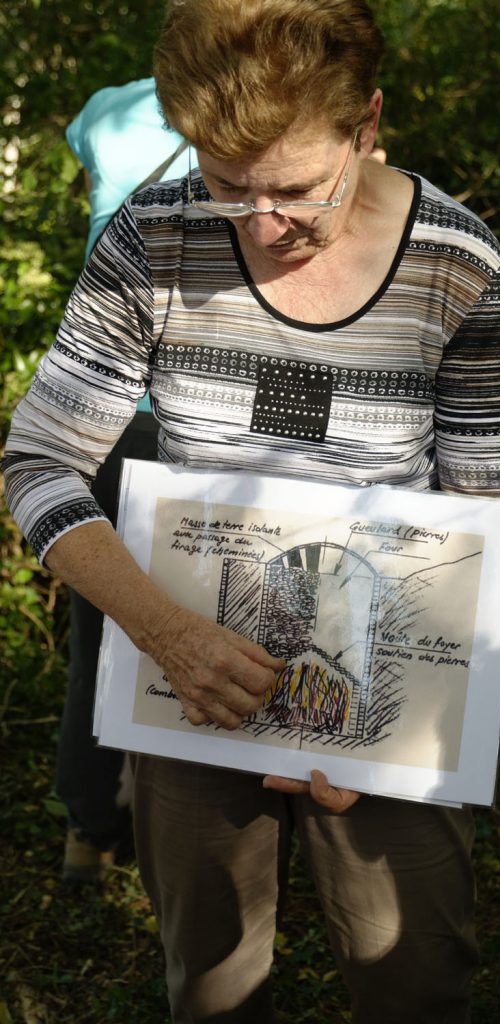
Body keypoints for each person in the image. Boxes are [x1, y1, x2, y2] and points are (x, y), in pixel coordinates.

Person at [2, 1, 500, 1020]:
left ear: (367, 124)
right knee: (211, 976)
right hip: (188, 679)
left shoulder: (457, 264)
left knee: (412, 969)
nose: (260, 224)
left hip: (389, 682)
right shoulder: (152, 238)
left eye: (295, 189)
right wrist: (166, 634)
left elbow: (492, 517)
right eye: (224, 186)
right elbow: (38, 464)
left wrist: (379, 724)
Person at [58, 77, 190, 882]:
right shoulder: (255, 117)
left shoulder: (107, 108)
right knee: (197, 619)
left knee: (100, 626)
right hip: (188, 413)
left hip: (97, 409)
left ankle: (88, 829)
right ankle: (173, 836)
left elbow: (88, 185)